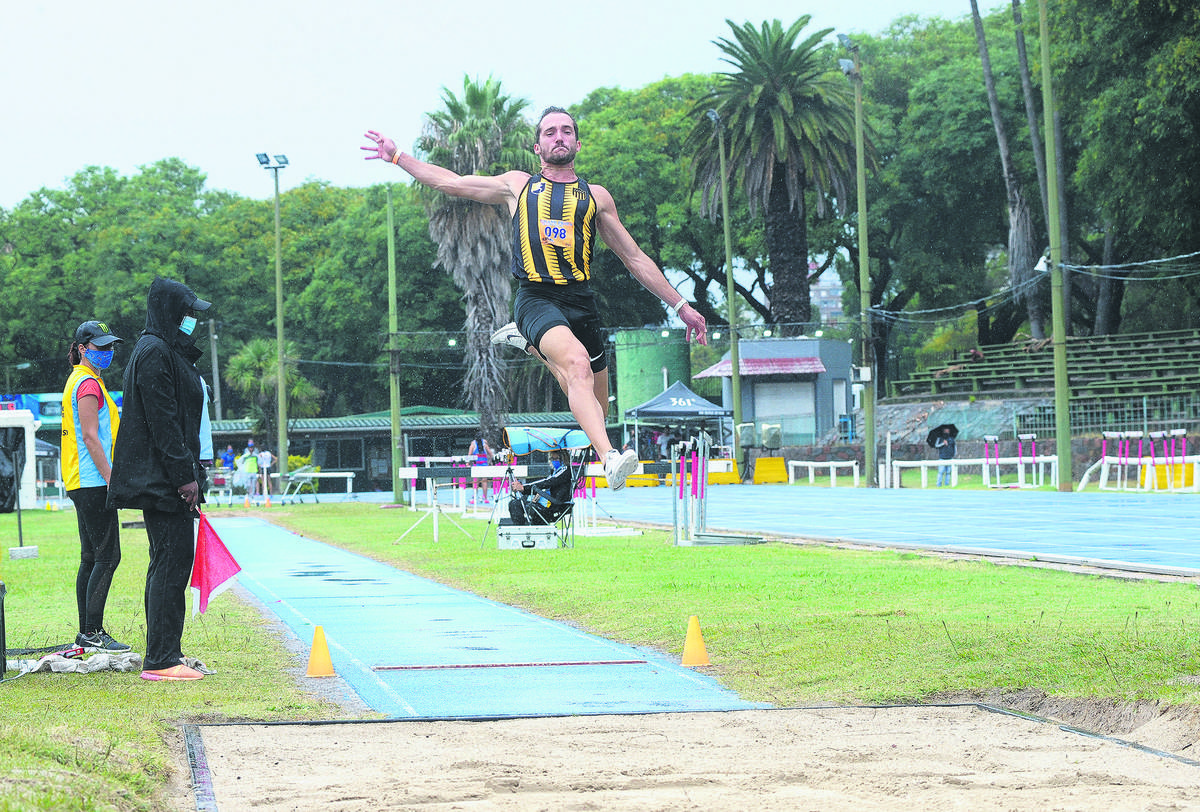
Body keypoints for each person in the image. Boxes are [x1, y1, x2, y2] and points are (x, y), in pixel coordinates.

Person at [363, 107, 708, 490]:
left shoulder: (596, 198)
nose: (558, 137)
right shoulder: (518, 186)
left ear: (577, 142)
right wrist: (398, 157)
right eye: (550, 132)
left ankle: (528, 344)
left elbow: (635, 258)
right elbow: (454, 182)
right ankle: (610, 457)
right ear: (537, 145)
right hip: (536, 296)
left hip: (581, 302)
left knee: (596, 404)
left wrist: (682, 307)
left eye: (565, 131)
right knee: (575, 365)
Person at [107, 276, 213, 682]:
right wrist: (185, 477)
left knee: (170, 562)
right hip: (163, 480)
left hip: (170, 477)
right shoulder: (153, 352)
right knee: (170, 563)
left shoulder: (167, 350)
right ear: (170, 311)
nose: (191, 320)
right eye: (186, 312)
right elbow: (163, 422)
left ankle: (168, 651)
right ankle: (161, 660)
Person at [61, 320, 131, 653]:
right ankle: (93, 631)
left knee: (91, 557)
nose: (107, 352)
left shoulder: (80, 379)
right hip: (92, 481)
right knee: (108, 556)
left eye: (110, 346)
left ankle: (86, 632)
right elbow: (90, 436)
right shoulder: (88, 384)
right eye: (100, 347)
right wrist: (111, 478)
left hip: (81, 480)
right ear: (82, 349)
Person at [508, 450, 573, 525]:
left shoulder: (566, 470)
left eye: (556, 459)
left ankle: (522, 530)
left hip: (553, 506)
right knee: (514, 504)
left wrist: (523, 488)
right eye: (552, 459)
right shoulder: (555, 471)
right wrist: (522, 488)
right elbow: (545, 484)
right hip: (543, 501)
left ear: (564, 458)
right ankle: (520, 530)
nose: (553, 461)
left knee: (522, 506)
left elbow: (547, 482)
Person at [468, 432, 493, 505]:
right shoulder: (485, 443)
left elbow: (469, 455)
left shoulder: (473, 444)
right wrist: (491, 461)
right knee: (484, 481)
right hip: (484, 465)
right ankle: (485, 498)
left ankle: (475, 497)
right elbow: (490, 454)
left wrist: (468, 463)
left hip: (476, 465)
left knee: (475, 481)